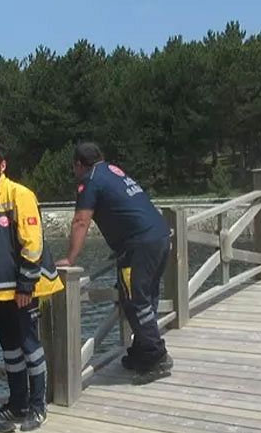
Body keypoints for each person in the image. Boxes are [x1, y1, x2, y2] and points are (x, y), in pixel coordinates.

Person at [58, 142, 174, 383]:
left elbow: (81, 221)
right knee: (146, 296)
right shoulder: (113, 171)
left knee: (135, 300)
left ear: (78, 165)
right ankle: (142, 351)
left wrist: (70, 258)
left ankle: (156, 356)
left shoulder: (90, 181)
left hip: (139, 245)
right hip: (159, 236)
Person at [0, 142, 63, 433]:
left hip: (24, 290)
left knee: (30, 347)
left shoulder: (20, 194)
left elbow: (33, 243)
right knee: (10, 349)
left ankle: (38, 406)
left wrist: (26, 284)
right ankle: (17, 404)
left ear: (3, 165)